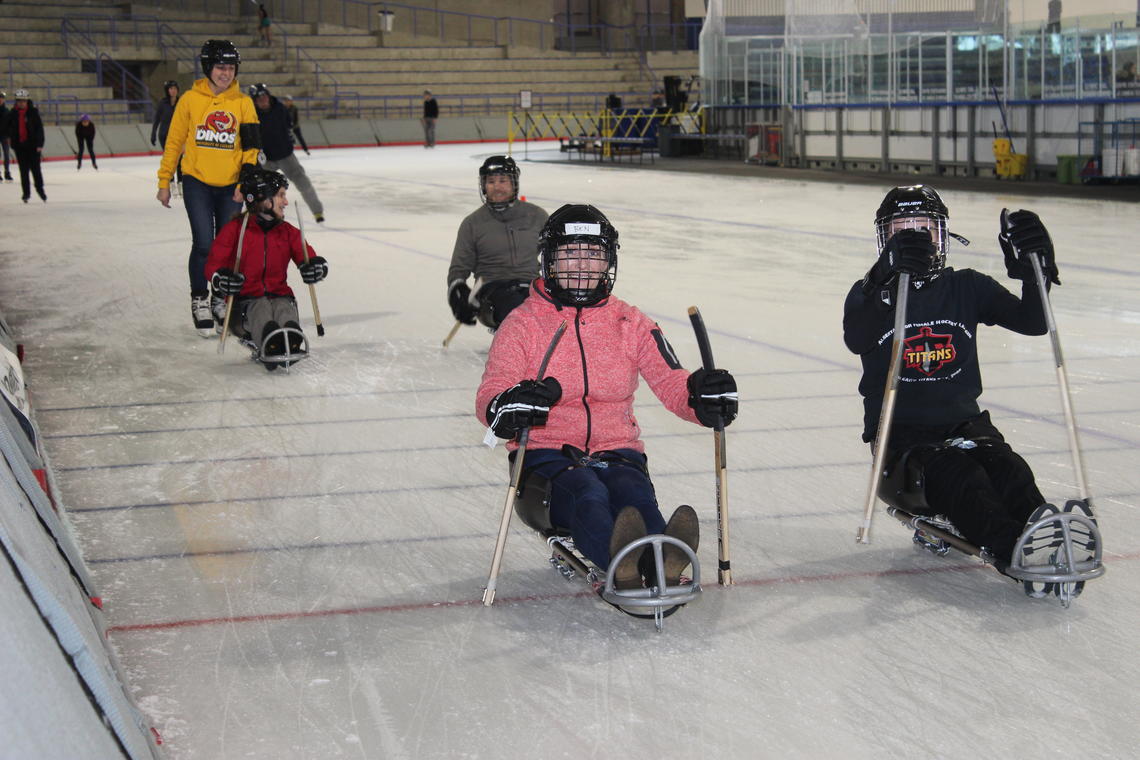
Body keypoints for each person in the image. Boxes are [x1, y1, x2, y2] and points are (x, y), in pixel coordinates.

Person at [476, 204, 739, 589]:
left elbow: (672, 382)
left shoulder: (630, 323)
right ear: (548, 260)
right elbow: (490, 393)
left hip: (617, 450)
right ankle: (623, 563)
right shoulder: (523, 324)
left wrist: (701, 397)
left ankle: (659, 559)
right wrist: (509, 405)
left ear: (608, 262)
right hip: (545, 459)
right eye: (570, 253)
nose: (582, 265)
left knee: (632, 494)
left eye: (593, 254)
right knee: (588, 493)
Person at [842, 185, 1081, 575]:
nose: (917, 239)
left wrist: (1034, 273)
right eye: (903, 231)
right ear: (885, 240)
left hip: (965, 426)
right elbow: (857, 336)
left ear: (943, 235)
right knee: (961, 475)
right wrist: (881, 278)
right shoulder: (871, 294)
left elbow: (1034, 322)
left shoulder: (967, 287)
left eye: (926, 230)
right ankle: (1013, 548)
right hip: (901, 445)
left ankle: (1046, 536)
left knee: (1008, 469)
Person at [156, 39, 261, 338]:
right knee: (204, 243)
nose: (225, 74)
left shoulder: (243, 103)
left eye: (230, 68)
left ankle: (219, 297)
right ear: (207, 68)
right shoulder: (190, 100)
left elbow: (251, 147)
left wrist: (244, 180)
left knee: (226, 248)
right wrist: (164, 181)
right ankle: (199, 298)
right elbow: (174, 142)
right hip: (197, 182)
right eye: (220, 67)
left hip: (231, 187)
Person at [205, 167, 328, 371]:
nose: (286, 202)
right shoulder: (235, 230)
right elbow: (213, 264)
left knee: (282, 306)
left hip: (279, 295)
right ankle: (269, 340)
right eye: (280, 195)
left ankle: (290, 335)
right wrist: (220, 278)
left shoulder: (288, 232)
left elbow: (306, 254)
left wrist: (315, 266)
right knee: (260, 307)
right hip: (244, 306)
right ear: (262, 198)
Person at [447, 155, 547, 332]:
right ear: (484, 186)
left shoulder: (536, 216)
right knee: (519, 308)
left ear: (514, 183)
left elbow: (555, 254)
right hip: (492, 292)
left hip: (532, 287)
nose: (497, 187)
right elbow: (458, 269)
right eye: (491, 181)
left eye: (503, 181)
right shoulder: (473, 223)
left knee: (551, 308)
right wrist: (459, 292)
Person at [249, 83, 324, 223]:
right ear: (253, 101)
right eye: (258, 98)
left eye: (264, 96)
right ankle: (260, 217)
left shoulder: (280, 108)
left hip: (286, 156)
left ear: (268, 95)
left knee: (303, 183)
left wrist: (289, 139)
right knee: (260, 190)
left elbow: (289, 125)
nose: (262, 100)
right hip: (266, 160)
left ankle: (317, 212)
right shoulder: (251, 113)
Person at [3, 89, 46, 203]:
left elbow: (39, 129)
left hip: (33, 146)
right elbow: (4, 127)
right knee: (23, 171)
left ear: (27, 101)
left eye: (23, 101)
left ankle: (40, 189)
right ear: (16, 102)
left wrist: (40, 144)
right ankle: (26, 193)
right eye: (19, 101)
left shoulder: (33, 112)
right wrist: (9, 137)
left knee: (36, 170)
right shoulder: (12, 113)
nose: (21, 103)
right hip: (19, 147)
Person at [150, 80, 180, 149]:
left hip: (177, 136)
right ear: (167, 90)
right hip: (164, 135)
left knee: (179, 158)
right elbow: (157, 120)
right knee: (169, 157)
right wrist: (153, 134)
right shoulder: (162, 103)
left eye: (175, 88)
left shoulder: (181, 102)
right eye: (171, 89)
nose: (173, 90)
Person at [0, 91, 13, 181]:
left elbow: (10, 125)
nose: (0, 100)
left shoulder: (7, 111)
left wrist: (9, 136)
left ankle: (7, 172)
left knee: (6, 155)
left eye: (2, 98)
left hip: (5, 136)